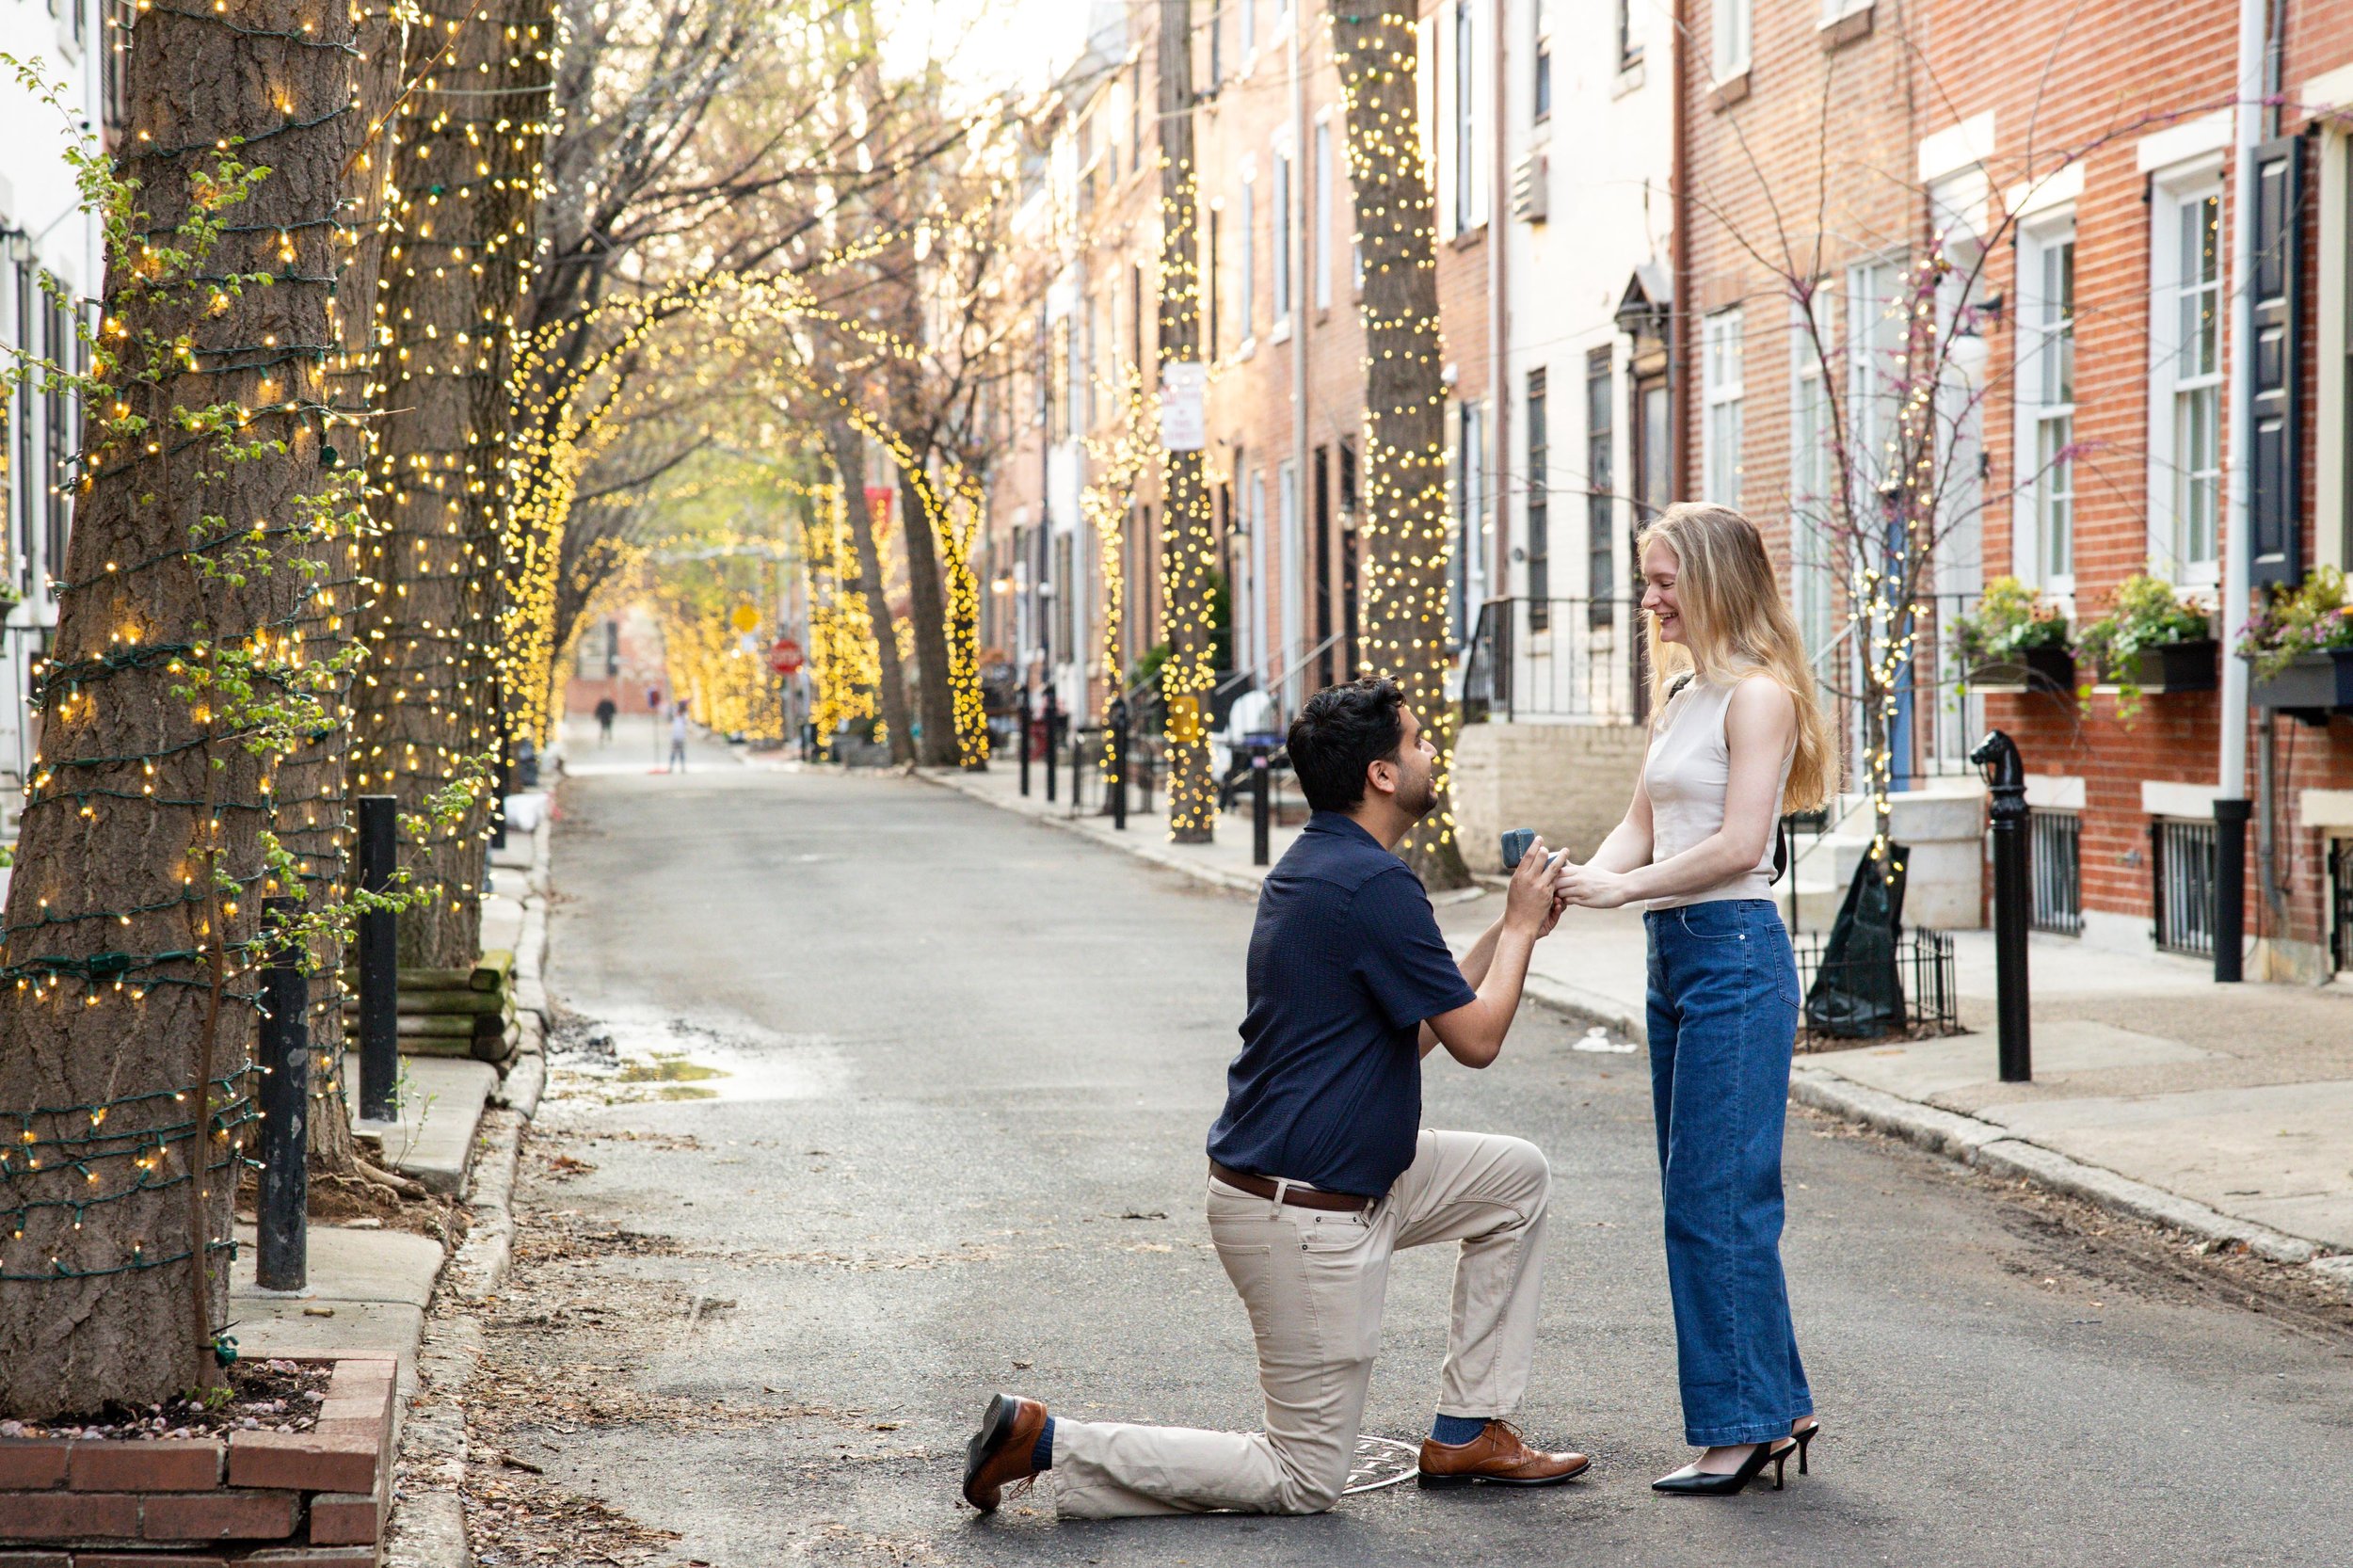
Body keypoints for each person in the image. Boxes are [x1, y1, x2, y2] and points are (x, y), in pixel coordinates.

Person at [961, 676, 1590, 1519]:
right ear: (1379, 774)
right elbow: (1477, 1043)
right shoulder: (1371, 886)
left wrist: (1502, 938)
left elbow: (1420, 1030)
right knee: (1302, 1479)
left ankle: (1468, 1427)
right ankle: (1044, 1442)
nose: (1429, 752)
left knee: (1515, 1178)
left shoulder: (1330, 864)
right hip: (1305, 1212)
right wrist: (1515, 931)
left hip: (1354, 1175)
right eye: (1416, 741)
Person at [1552, 504, 1834, 1497]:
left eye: (1666, 580)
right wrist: (1576, 880)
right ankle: (1777, 1403)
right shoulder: (1681, 695)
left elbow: (1738, 843)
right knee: (1704, 1196)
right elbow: (1642, 822)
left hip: (1733, 952)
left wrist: (1622, 889)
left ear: (1715, 580)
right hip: (1675, 954)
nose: (1650, 599)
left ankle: (1740, 1425)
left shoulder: (1757, 697)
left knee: (1717, 1200)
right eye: (1646, 579)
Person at [667, 703, 689, 773]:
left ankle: (682, 767)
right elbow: (672, 711)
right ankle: (671, 767)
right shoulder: (675, 717)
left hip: (681, 738)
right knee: (673, 753)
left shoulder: (683, 717)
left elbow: (686, 714)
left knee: (681, 753)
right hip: (675, 738)